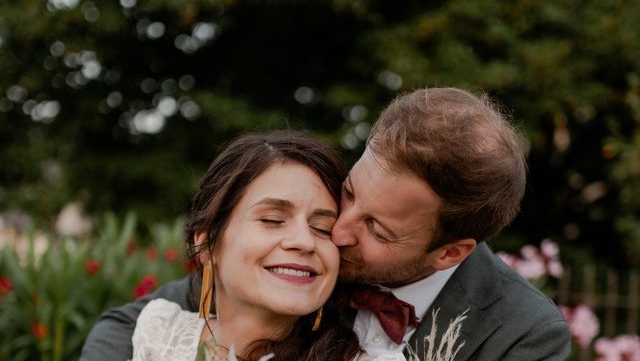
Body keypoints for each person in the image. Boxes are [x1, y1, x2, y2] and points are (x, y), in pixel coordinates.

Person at [81, 87, 571, 361]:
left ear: (450, 252)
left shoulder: (521, 332)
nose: (337, 233)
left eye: (378, 230)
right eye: (350, 194)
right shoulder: (304, 258)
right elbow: (141, 321)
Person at [129, 131, 377, 361]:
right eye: (273, 220)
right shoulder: (161, 333)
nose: (305, 241)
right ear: (207, 245)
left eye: (323, 228)